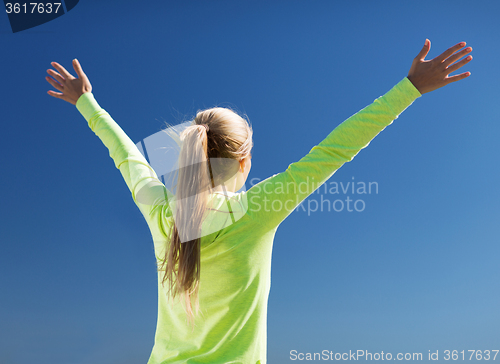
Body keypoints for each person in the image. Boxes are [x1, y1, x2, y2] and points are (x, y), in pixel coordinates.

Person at [45, 39, 472, 364]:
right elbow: (334, 151)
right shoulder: (257, 209)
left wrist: (86, 102)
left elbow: (129, 158)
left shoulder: (160, 212)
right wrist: (410, 88)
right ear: (244, 161)